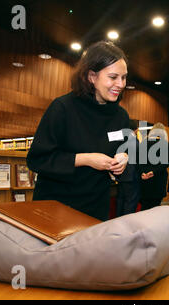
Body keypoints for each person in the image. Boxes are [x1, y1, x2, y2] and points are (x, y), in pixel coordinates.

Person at [27, 41, 130, 221]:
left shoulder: (121, 116)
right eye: (113, 77)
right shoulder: (62, 108)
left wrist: (123, 159)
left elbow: (123, 149)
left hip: (95, 208)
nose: (120, 84)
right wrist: (86, 159)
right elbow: (37, 160)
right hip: (56, 208)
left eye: (124, 77)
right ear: (92, 76)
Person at [139, 122, 169, 210]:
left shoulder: (144, 143)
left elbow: (138, 161)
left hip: (144, 181)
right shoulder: (165, 144)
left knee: (144, 208)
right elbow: (167, 162)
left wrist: (143, 173)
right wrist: (153, 172)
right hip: (158, 181)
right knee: (155, 209)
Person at [115, 119, 141, 216]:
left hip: (121, 175)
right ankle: (127, 226)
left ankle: (118, 223)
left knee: (121, 200)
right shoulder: (134, 141)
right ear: (136, 129)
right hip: (132, 176)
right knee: (131, 202)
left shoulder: (121, 140)